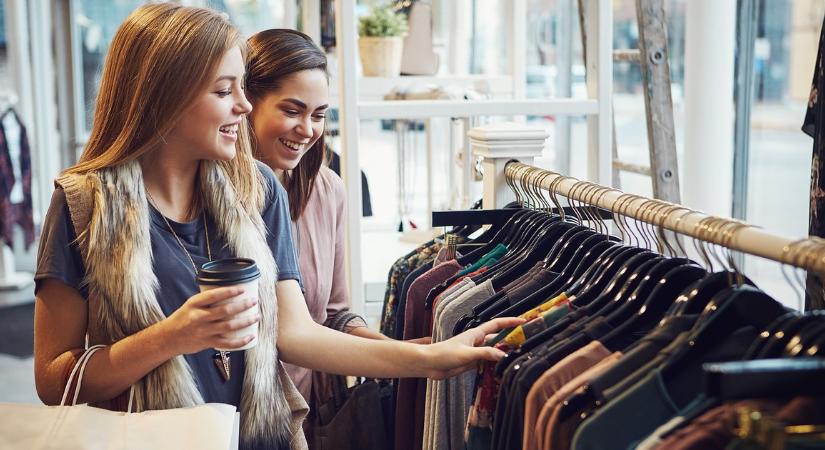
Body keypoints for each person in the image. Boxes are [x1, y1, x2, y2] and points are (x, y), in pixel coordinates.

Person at [32, 5, 520, 450]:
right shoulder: (83, 205)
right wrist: (171, 337)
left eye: (242, 88)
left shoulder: (257, 189)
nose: (243, 107)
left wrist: (434, 360)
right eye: (225, 91)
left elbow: (298, 334)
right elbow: (54, 383)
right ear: (164, 97)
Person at [244, 28, 422, 405]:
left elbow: (334, 315)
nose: (307, 130)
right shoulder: (209, 194)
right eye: (291, 111)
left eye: (319, 115)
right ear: (247, 102)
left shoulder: (327, 191)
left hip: (303, 411)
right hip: (228, 416)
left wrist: (400, 349)